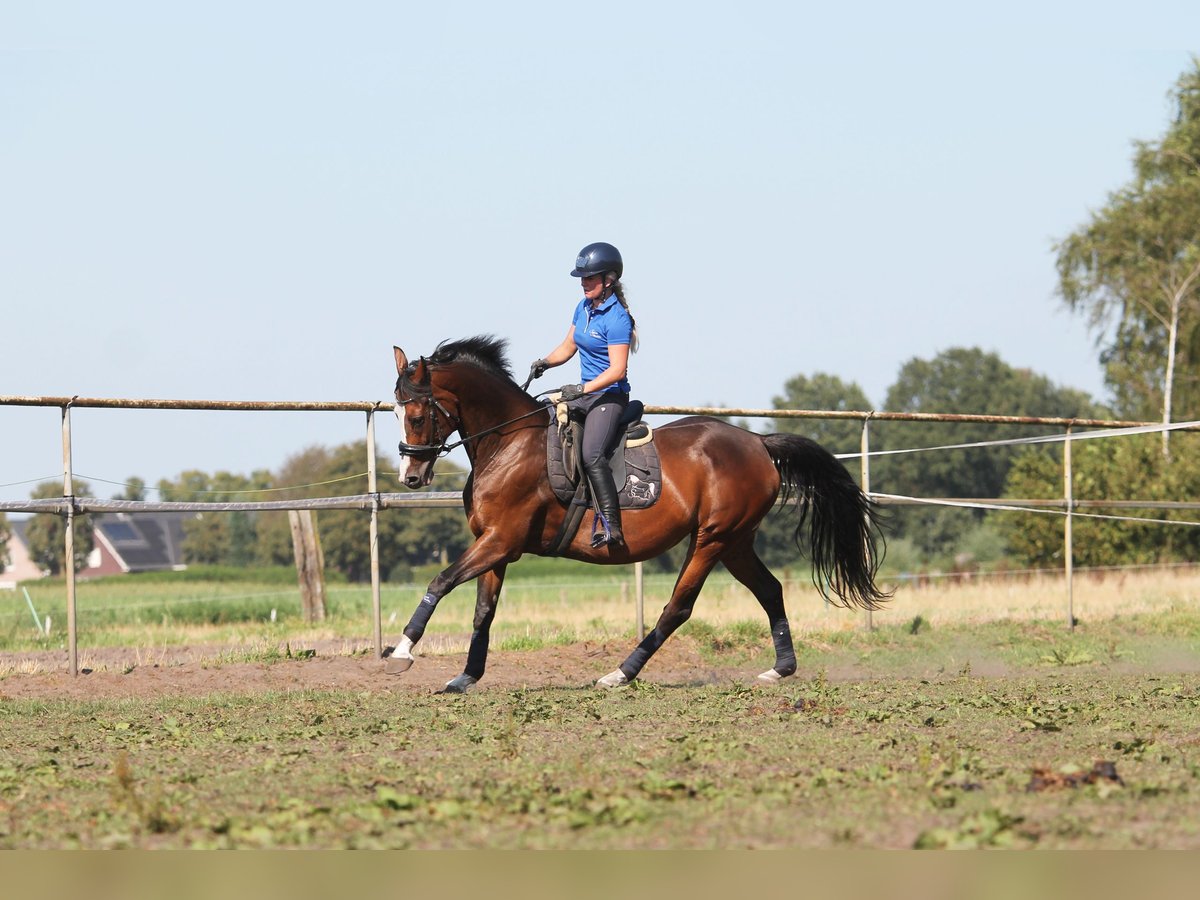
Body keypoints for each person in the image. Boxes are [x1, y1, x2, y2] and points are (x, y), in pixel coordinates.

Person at [529, 242, 639, 549]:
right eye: (582, 277)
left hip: (609, 397)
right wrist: (545, 362)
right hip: (585, 394)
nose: (583, 282)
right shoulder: (584, 308)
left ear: (609, 280)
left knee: (591, 455)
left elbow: (617, 370)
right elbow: (568, 346)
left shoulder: (617, 318)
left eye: (589, 277)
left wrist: (582, 389)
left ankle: (612, 525)